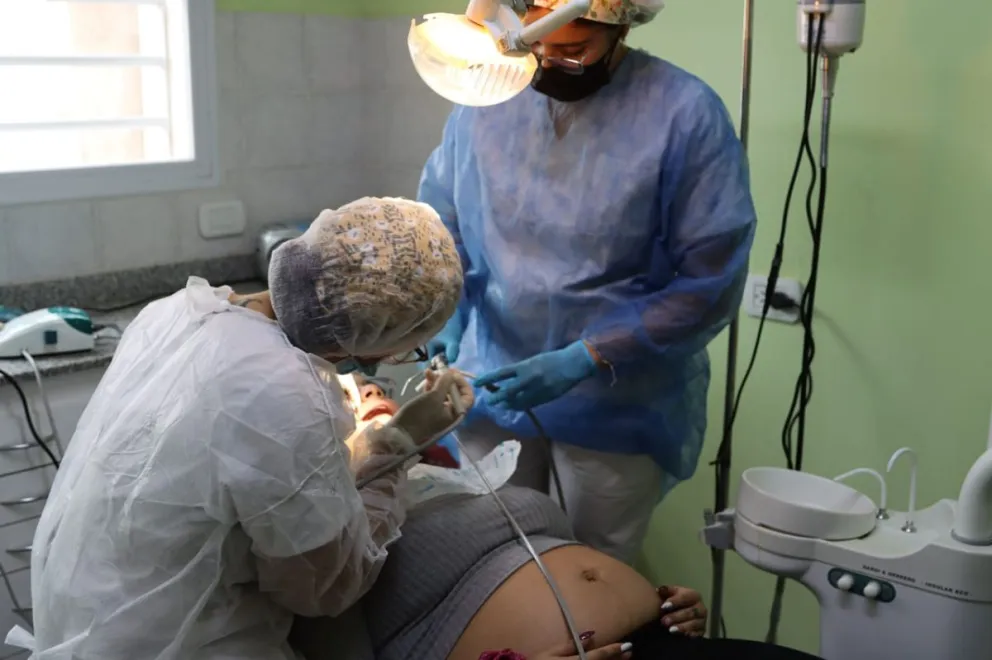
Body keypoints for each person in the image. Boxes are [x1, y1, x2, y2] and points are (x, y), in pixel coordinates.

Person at [24, 197, 475, 659]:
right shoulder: (285, 395)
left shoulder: (177, 312)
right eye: (405, 350)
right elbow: (322, 587)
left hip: (84, 617)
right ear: (374, 342)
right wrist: (392, 444)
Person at [419, 0, 758, 564]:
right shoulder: (491, 94)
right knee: (496, 553)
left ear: (618, 25)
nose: (550, 64)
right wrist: (446, 310)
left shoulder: (682, 113)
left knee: (596, 565)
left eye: (573, 50)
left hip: (616, 394)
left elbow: (709, 279)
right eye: (536, 46)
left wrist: (587, 356)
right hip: (490, 373)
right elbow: (441, 222)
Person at [290, 387, 820, 660]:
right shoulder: (325, 528)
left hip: (667, 642)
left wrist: (666, 604)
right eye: (349, 398)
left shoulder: (461, 473)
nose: (368, 396)